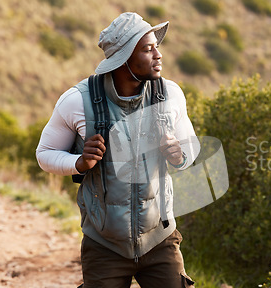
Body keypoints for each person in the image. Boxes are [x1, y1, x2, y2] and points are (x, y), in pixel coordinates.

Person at [36, 12, 197, 288]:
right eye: (148, 49)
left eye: (156, 47)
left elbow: (191, 148)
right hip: (104, 245)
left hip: (160, 240)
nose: (158, 55)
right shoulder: (77, 100)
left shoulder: (170, 95)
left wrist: (179, 155)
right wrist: (79, 163)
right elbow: (45, 154)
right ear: (123, 58)